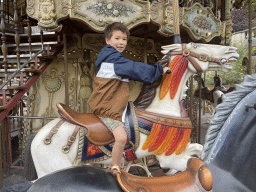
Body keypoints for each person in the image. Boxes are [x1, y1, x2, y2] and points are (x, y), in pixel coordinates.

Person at [88, 22, 170, 176]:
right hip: (107, 108)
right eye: (117, 38)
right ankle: (115, 168)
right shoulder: (112, 58)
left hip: (114, 105)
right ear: (108, 40)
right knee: (121, 137)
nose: (121, 42)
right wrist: (158, 70)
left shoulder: (112, 57)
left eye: (124, 39)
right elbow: (133, 68)